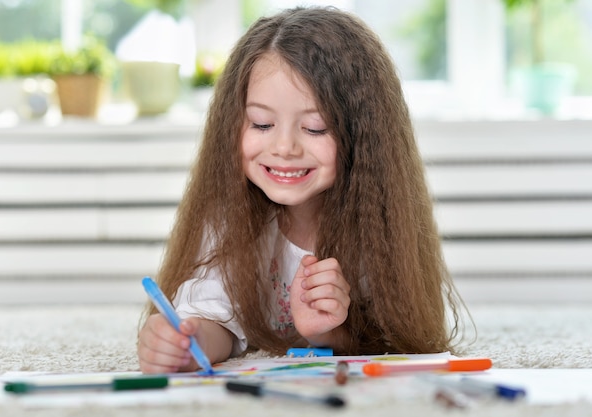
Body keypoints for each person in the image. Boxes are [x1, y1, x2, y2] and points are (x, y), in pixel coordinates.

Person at [137, 6, 468, 374]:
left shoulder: (376, 229)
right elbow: (218, 323)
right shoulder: (231, 219)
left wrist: (329, 332)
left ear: (365, 137)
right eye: (261, 124)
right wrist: (186, 342)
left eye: (314, 128)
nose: (284, 148)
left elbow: (397, 342)